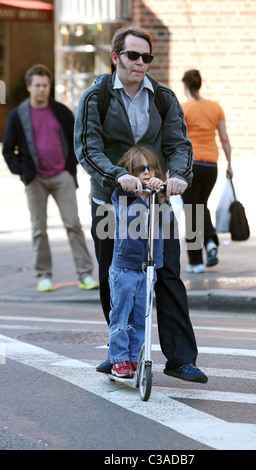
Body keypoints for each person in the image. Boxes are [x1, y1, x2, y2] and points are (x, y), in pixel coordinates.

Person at [74, 25, 208, 384]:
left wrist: (179, 176)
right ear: (116, 57)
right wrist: (116, 175)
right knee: (115, 277)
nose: (140, 63)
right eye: (133, 55)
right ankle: (122, 354)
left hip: (154, 200)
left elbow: (180, 145)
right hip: (110, 203)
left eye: (146, 57)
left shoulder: (163, 97)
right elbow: (88, 149)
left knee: (167, 275)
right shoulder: (95, 97)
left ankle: (180, 359)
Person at [2, 64, 98, 292]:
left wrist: (69, 167)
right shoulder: (18, 115)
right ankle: (44, 275)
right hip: (35, 179)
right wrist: (22, 171)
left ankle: (85, 274)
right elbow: (8, 149)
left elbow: (78, 140)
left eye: (45, 85)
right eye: (37, 85)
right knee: (39, 229)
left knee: (73, 224)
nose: (42, 90)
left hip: (62, 176)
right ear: (29, 87)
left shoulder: (61, 111)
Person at [108, 146, 171, 378]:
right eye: (140, 169)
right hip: (125, 268)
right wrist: (143, 195)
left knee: (141, 318)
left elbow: (167, 221)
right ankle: (119, 360)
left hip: (148, 268)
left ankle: (135, 358)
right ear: (128, 174)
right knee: (121, 317)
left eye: (151, 168)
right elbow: (131, 219)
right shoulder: (122, 197)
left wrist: (161, 196)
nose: (147, 172)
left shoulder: (159, 197)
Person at [181, 69, 233, 273]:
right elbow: (224, 138)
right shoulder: (215, 107)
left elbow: (179, 140)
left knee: (191, 211)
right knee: (200, 206)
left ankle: (196, 262)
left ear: (185, 86)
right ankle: (210, 243)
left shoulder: (184, 108)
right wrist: (229, 163)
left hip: (191, 164)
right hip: (212, 166)